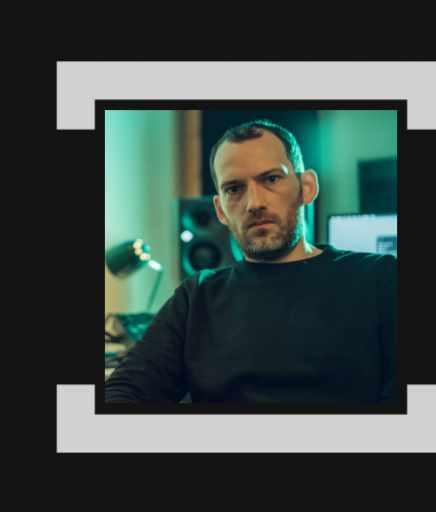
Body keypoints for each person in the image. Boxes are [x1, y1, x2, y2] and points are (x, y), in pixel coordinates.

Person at [105, 119, 398, 406]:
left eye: (271, 179)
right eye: (234, 189)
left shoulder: (380, 278)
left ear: (306, 187)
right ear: (220, 209)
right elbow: (126, 389)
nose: (254, 203)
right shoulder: (197, 297)